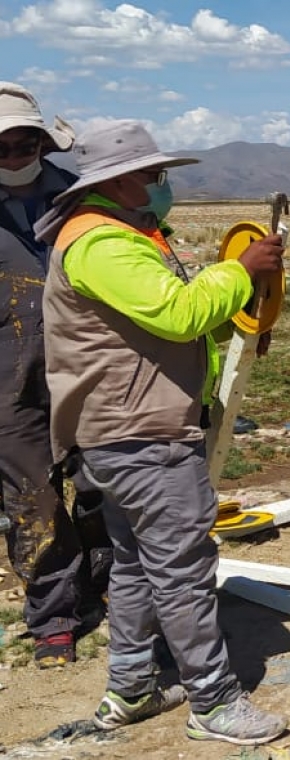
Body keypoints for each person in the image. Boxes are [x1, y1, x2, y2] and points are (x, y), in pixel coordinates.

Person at [36, 120, 288, 745]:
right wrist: (241, 269)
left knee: (136, 566)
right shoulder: (103, 244)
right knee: (181, 568)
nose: (160, 183)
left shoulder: (120, 236)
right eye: (153, 173)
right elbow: (178, 314)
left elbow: (159, 322)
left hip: (122, 430)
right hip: (140, 431)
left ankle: (131, 687)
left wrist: (240, 308)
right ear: (119, 179)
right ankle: (214, 700)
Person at [0, 81, 111, 669]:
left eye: (27, 144)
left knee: (99, 484)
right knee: (32, 501)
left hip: (88, 367)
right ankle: (54, 617)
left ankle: (105, 581)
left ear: (45, 143)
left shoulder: (79, 199)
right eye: (5, 148)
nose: (17, 156)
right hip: (7, 386)